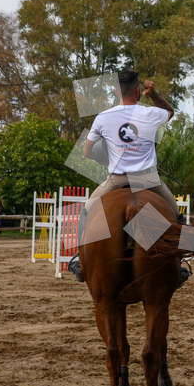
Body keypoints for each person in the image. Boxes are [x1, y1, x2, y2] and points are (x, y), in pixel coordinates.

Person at [68, 70, 178, 282]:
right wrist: (153, 94)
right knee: (174, 212)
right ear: (137, 91)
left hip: (117, 180)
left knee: (87, 211)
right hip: (148, 180)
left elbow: (87, 151)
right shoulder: (150, 113)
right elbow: (169, 111)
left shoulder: (103, 117)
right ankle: (178, 263)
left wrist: (108, 157)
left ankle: (81, 262)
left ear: (116, 91)